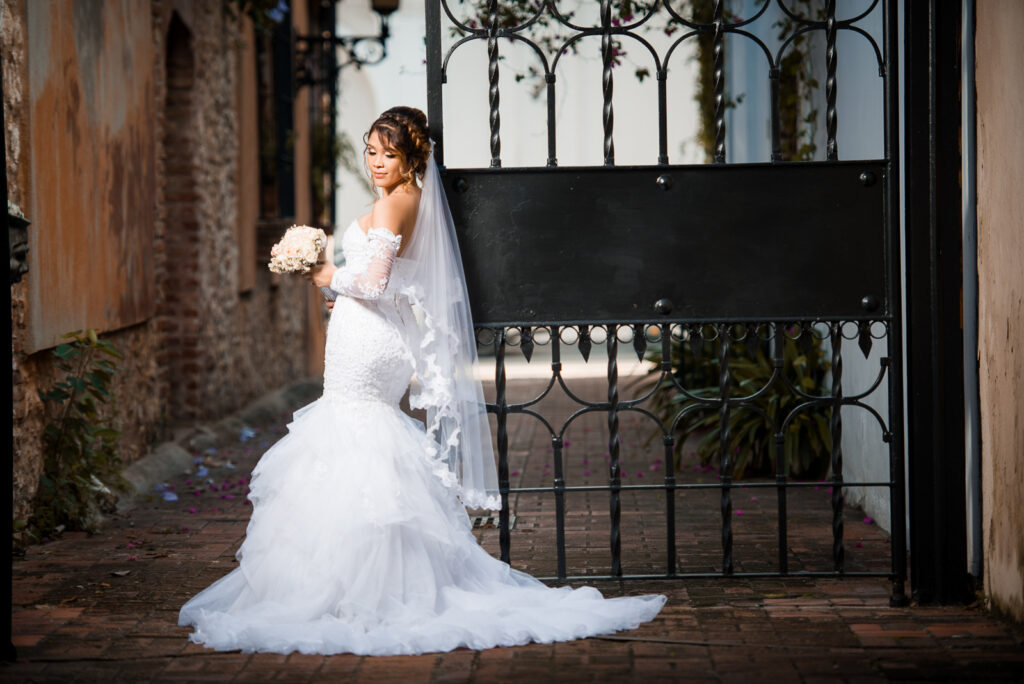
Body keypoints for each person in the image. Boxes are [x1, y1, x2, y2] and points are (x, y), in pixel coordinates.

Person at [177, 106, 666, 655]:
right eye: (371, 151)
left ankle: (357, 587)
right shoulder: (408, 201)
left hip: (370, 342)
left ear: (412, 159)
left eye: (390, 154)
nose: (378, 163)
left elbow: (377, 281)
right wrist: (336, 285)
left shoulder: (395, 204)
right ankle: (368, 577)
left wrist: (323, 273)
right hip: (372, 336)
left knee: (354, 432)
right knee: (362, 438)